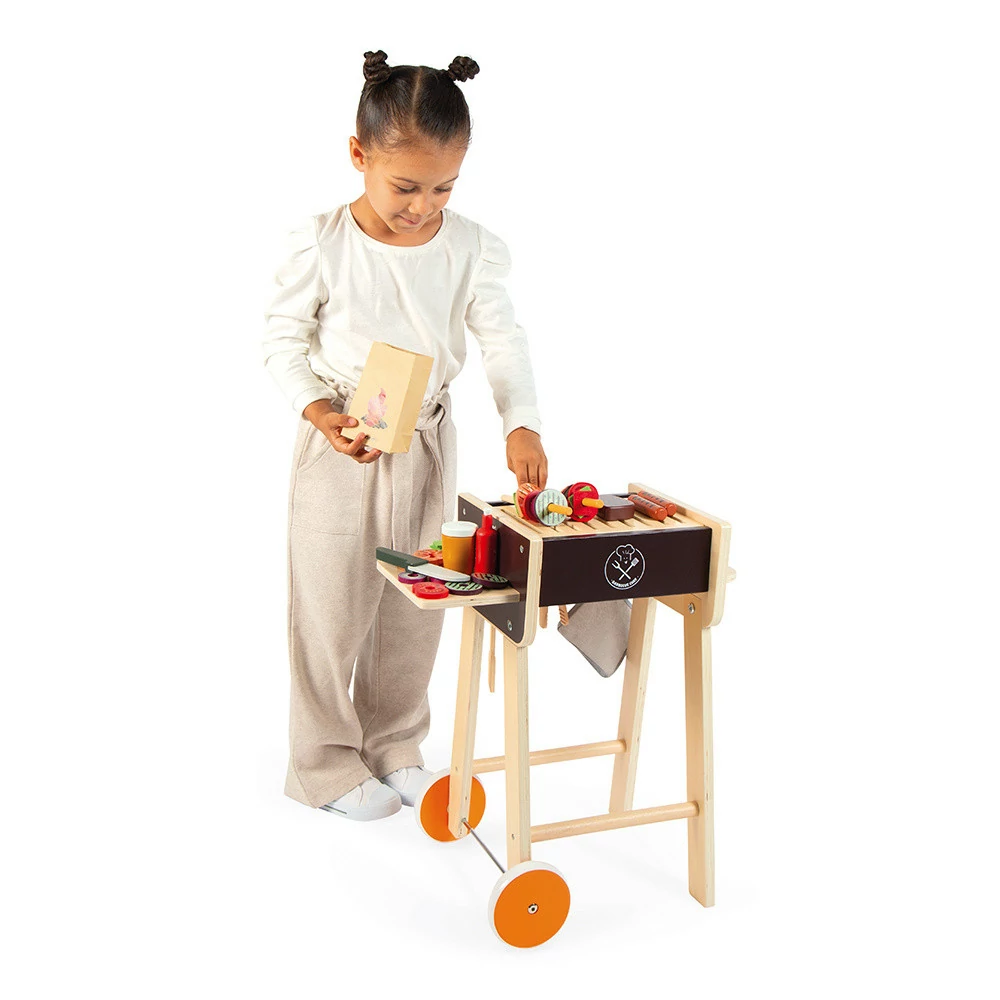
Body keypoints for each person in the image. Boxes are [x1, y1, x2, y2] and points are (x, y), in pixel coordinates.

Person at [262, 50, 548, 821]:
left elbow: (503, 340)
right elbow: (282, 339)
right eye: (406, 187)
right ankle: (322, 764)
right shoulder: (323, 242)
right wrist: (318, 411)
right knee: (330, 605)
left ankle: (395, 747)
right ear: (359, 155)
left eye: (443, 187)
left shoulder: (471, 248)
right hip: (344, 439)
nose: (423, 206)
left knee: (418, 601)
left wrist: (520, 421)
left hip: (424, 440)